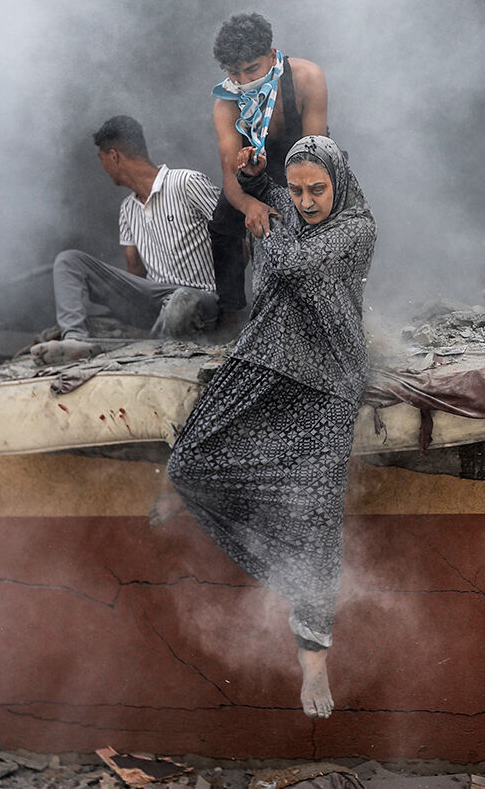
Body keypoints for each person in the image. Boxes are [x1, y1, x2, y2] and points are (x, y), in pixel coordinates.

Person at [154, 134, 375, 719]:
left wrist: (264, 218)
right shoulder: (289, 201)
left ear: (339, 180)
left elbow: (295, 263)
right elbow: (259, 190)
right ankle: (253, 545)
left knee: (317, 517)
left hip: (327, 375)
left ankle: (314, 667)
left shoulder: (357, 227)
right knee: (188, 464)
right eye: (298, 189)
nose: (305, 201)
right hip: (267, 355)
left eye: (317, 189)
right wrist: (253, 180)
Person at [32, 115, 221, 364]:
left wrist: (232, 304)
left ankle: (151, 352)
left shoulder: (186, 182)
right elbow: (135, 272)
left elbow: (236, 236)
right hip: (155, 298)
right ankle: (75, 339)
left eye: (102, 160)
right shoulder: (128, 209)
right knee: (69, 261)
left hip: (200, 298)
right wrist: (110, 302)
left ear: (114, 156)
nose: (104, 169)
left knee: (181, 301)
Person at [208, 12, 329, 317]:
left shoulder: (307, 77)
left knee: (317, 220)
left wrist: (298, 202)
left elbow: (316, 151)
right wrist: (249, 205)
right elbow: (229, 176)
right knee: (223, 226)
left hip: (309, 160)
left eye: (252, 70)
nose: (245, 82)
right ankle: (231, 313)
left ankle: (322, 307)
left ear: (271, 55)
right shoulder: (226, 104)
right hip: (251, 171)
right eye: (235, 74)